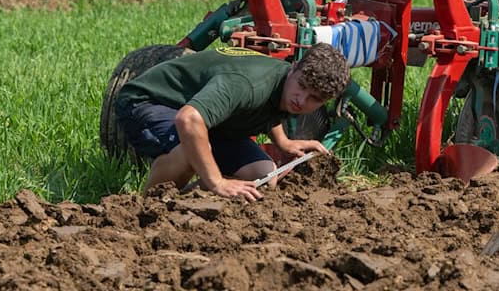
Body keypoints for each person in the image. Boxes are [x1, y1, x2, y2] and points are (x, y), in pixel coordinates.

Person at [114, 43, 351, 201]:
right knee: (192, 151)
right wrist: (217, 182)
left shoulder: (285, 85)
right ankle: (148, 206)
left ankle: (186, 200)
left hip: (207, 114)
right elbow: (188, 119)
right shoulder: (249, 84)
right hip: (152, 101)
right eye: (302, 87)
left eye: (315, 99)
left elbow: (267, 108)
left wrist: (284, 142)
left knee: (263, 175)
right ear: (295, 68)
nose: (302, 100)